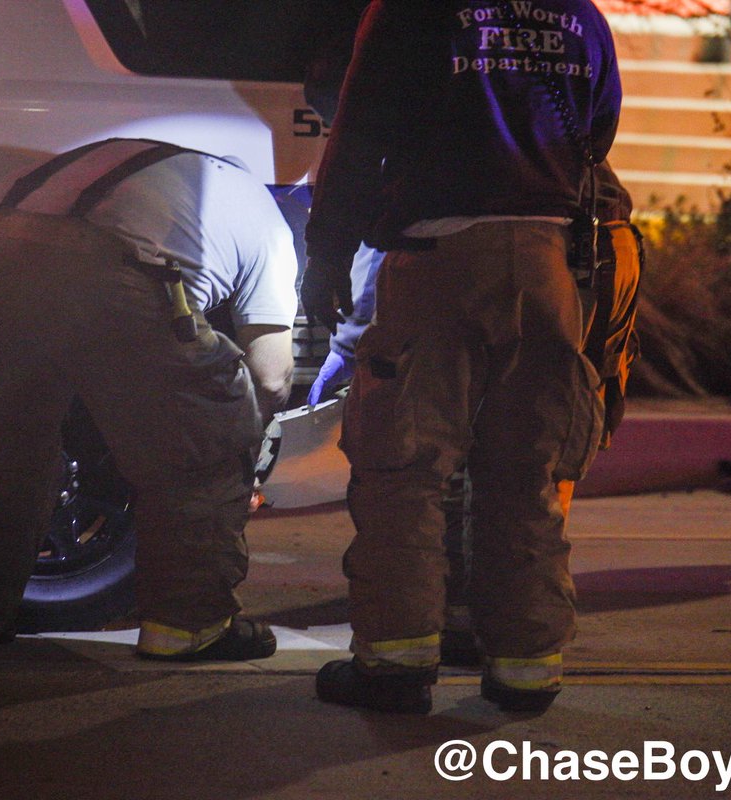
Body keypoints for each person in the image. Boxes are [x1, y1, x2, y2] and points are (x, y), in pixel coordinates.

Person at [302, 1, 621, 714]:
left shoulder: (413, 10)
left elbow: (359, 135)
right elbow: (597, 136)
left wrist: (326, 253)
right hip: (547, 265)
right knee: (524, 468)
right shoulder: (581, 16)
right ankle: (526, 666)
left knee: (404, 463)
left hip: (439, 258)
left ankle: (396, 662)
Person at [0, 139, 298, 659]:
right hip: (112, 258)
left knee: (5, 444)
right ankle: (190, 626)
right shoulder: (267, 219)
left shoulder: (163, 167)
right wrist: (243, 435)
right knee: (203, 447)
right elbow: (272, 375)